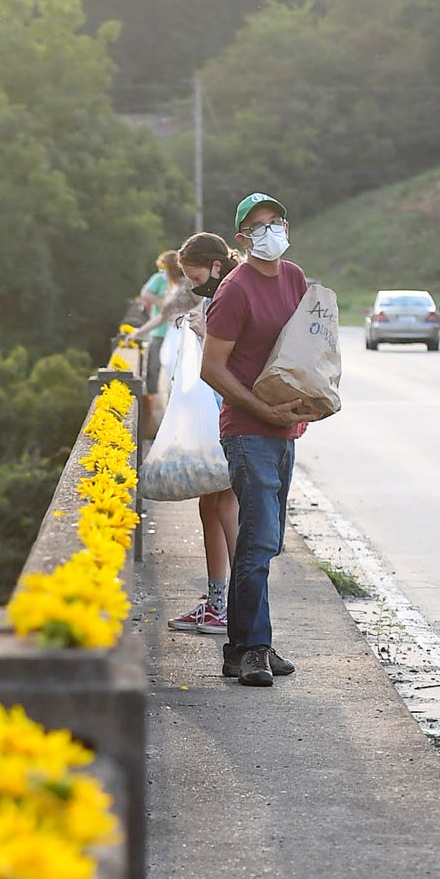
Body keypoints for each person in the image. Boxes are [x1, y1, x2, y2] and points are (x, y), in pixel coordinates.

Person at [199, 192, 311, 691]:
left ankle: (242, 647)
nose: (270, 232)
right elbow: (211, 368)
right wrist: (261, 409)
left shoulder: (294, 279)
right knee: (259, 537)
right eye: (258, 226)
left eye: (276, 222)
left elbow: (306, 347)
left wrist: (308, 402)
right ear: (242, 239)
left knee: (267, 541)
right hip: (247, 431)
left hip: (285, 427)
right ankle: (252, 648)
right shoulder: (235, 288)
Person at [163, 232, 242, 639]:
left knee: (225, 507)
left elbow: (238, 351)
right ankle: (217, 602)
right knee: (209, 507)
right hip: (215, 413)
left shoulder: (234, 290)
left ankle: (241, 607)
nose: (194, 286)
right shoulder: (220, 291)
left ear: (215, 265)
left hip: (231, 415)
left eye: (196, 277)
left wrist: (201, 333)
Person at [136, 248, 182, 395]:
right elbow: (146, 294)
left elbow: (163, 315)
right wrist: (161, 301)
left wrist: (139, 332)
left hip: (177, 333)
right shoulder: (160, 279)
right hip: (161, 331)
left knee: (173, 371)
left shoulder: (182, 286)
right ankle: (152, 397)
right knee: (154, 367)